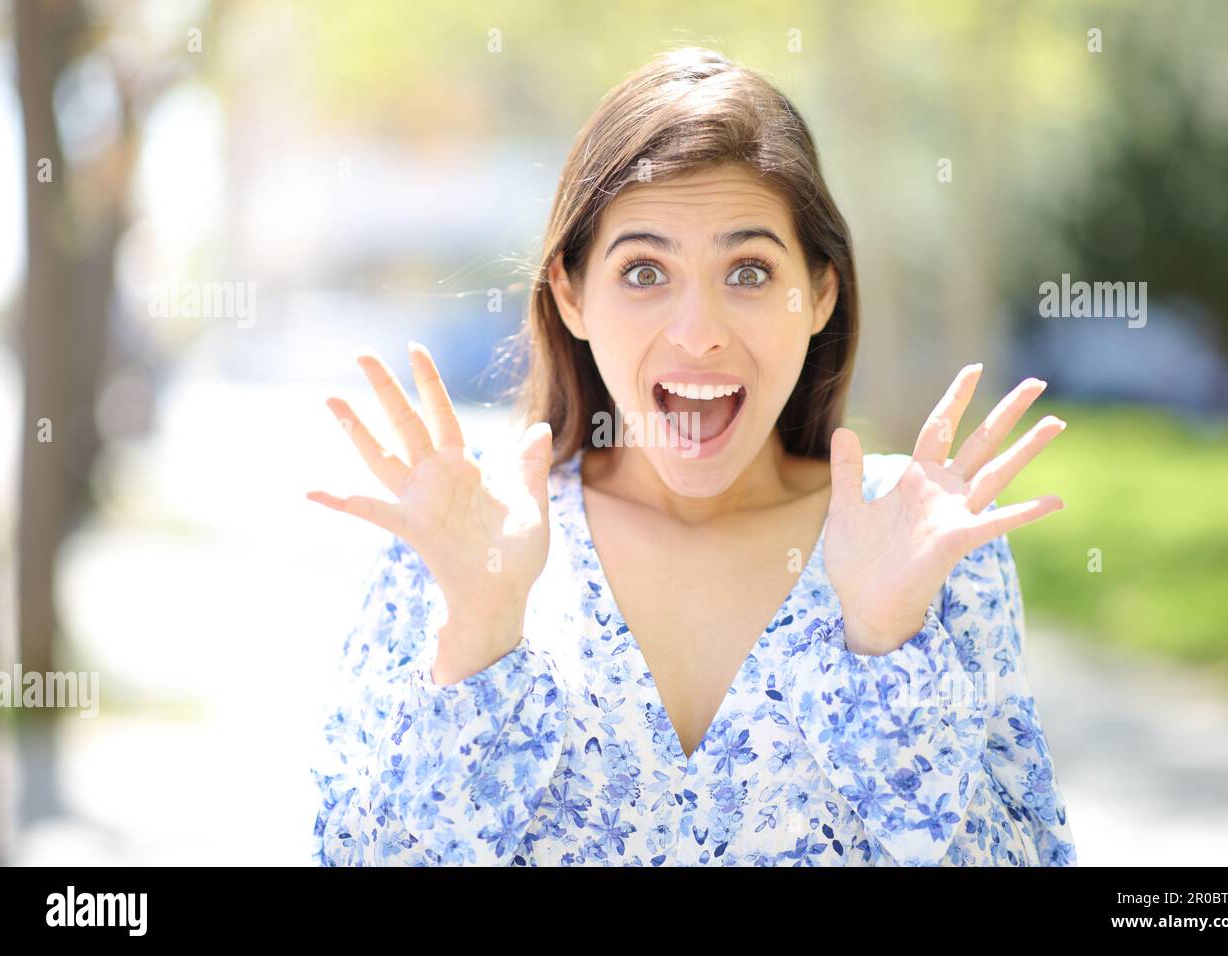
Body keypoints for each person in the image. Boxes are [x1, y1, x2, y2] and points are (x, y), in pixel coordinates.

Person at [306, 47, 1077, 867]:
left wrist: (887, 643)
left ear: (820, 293)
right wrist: (480, 633)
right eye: (644, 271)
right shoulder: (457, 536)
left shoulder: (925, 538)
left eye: (748, 271)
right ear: (571, 295)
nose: (698, 330)